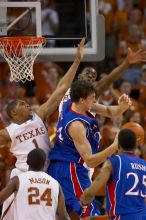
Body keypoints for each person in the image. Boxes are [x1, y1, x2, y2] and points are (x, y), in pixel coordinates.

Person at [0, 38, 85, 220]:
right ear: (13, 113)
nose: (28, 105)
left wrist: (77, 60)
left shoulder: (39, 114)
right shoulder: (9, 131)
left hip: (45, 175)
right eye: (23, 104)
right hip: (22, 176)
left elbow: (61, 89)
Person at [48, 80, 131, 219]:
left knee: (67, 215)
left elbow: (110, 111)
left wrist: (122, 107)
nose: (95, 100)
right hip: (71, 170)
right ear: (82, 100)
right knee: (90, 212)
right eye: (92, 98)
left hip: (65, 167)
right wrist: (115, 146)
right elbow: (91, 161)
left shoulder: (74, 103)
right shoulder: (76, 126)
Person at [80, 128, 146, 220]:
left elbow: (91, 191)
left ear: (118, 145)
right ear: (135, 146)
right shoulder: (144, 164)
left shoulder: (115, 161)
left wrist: (83, 201)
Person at [59, 47, 146, 111]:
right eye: (87, 74)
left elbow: (110, 78)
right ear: (79, 77)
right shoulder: (67, 91)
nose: (90, 76)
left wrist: (126, 63)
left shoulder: (93, 92)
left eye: (93, 77)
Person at [0, 148, 70, 220]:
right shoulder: (56, 184)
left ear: (27, 162)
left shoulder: (17, 180)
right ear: (44, 163)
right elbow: (64, 216)